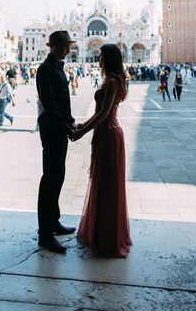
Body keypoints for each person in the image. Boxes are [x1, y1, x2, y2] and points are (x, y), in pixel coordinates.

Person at [70, 44, 132, 258]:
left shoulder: (114, 82)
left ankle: (108, 238)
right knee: (102, 183)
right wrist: (82, 125)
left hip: (109, 134)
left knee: (107, 185)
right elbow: (100, 113)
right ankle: (101, 232)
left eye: (102, 57)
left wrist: (81, 132)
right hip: (105, 134)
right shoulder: (113, 80)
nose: (99, 60)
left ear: (111, 59)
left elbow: (104, 114)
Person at [36, 30, 77, 254]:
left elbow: (62, 102)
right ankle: (44, 234)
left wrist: (70, 121)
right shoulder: (45, 70)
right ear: (55, 46)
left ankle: (54, 221)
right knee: (50, 177)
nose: (69, 50)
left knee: (59, 174)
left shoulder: (57, 67)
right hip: (52, 129)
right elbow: (50, 104)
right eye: (65, 46)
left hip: (60, 127)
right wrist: (65, 127)